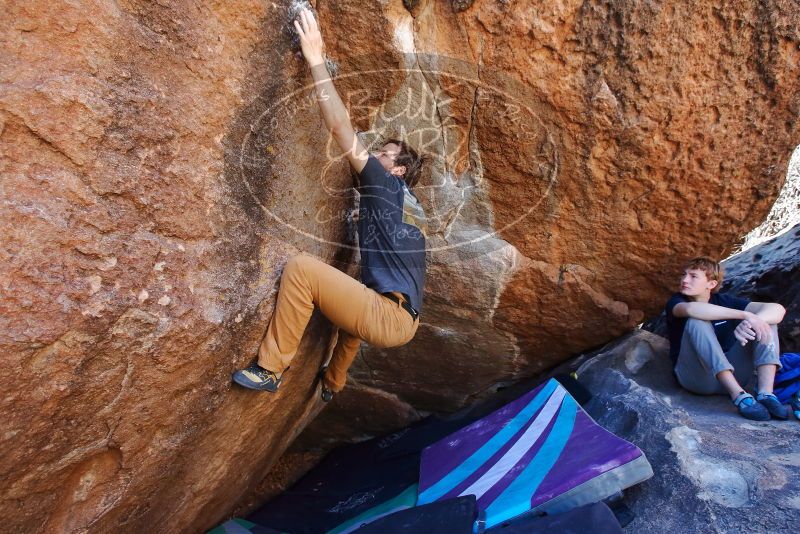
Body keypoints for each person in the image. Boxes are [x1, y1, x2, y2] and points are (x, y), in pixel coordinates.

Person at [232, 8, 427, 402]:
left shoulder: (384, 184)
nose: (375, 156)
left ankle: (270, 369)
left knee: (302, 269)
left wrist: (316, 57)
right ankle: (334, 381)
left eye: (384, 154)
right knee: (359, 310)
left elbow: (340, 127)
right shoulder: (409, 212)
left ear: (399, 171)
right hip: (401, 319)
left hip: (389, 317)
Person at [665, 257, 787, 420]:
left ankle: (766, 393)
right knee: (696, 321)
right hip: (697, 378)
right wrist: (745, 315)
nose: (685, 280)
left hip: (737, 374)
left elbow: (777, 309)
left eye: (693, 276)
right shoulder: (677, 301)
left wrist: (755, 321)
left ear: (711, 284)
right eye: (683, 275)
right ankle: (739, 397)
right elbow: (692, 309)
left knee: (766, 323)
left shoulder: (724, 301)